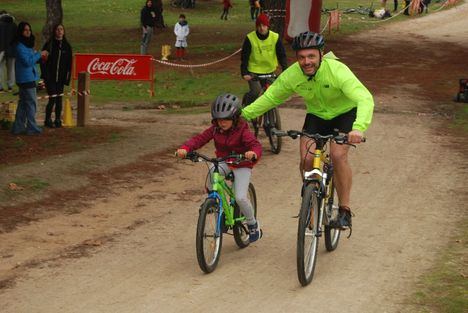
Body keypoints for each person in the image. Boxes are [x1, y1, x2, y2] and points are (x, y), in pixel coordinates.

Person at [241, 31, 374, 230]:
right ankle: (310, 205)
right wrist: (242, 115)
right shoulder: (293, 74)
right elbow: (271, 97)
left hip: (345, 115)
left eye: (311, 56)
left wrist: (358, 128)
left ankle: (345, 210)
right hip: (317, 116)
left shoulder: (337, 70)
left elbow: (364, 98)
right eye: (302, 57)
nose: (306, 62)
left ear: (321, 54)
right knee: (306, 160)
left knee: (338, 155)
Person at [176, 93, 263, 242]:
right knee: (211, 171)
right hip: (224, 161)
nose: (221, 123)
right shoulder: (215, 129)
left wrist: (253, 153)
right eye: (218, 119)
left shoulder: (242, 130)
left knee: (240, 197)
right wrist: (185, 148)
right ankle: (213, 201)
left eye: (226, 119)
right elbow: (199, 139)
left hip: (242, 163)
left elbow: (255, 145)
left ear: (235, 118)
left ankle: (253, 223)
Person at [241, 13, 288, 107]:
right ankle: (246, 106)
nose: (261, 28)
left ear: (268, 26)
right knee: (256, 92)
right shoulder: (250, 38)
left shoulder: (275, 37)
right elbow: (244, 57)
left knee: (274, 92)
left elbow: (282, 55)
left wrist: (285, 69)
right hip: (253, 72)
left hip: (270, 71)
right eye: (259, 26)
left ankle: (270, 115)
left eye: (264, 25)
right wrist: (244, 73)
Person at [11, 22, 48, 135]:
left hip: (28, 77)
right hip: (25, 79)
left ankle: (18, 127)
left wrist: (38, 56)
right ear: (21, 31)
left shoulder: (26, 45)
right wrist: (39, 54)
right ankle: (31, 127)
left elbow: (31, 59)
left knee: (23, 104)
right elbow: (27, 62)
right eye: (25, 30)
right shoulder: (19, 46)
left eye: (29, 30)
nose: (28, 32)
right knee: (32, 104)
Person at [41, 24, 72, 128]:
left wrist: (67, 79)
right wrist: (45, 76)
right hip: (50, 78)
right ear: (54, 31)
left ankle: (58, 119)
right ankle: (47, 119)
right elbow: (42, 61)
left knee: (59, 99)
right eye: (57, 29)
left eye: (61, 29)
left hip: (61, 78)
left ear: (64, 31)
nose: (59, 31)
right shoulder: (49, 44)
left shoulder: (67, 46)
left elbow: (69, 64)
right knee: (52, 98)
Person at [0, 10, 17, 92]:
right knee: (11, 69)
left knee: (0, 68)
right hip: (12, 50)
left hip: (0, 50)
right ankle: (10, 86)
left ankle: (1, 87)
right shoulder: (14, 25)